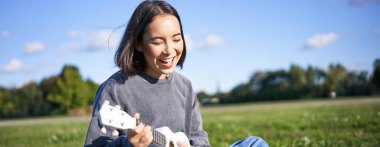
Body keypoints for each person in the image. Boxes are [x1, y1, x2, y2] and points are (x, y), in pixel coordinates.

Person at [84, 0, 210, 146]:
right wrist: (128, 144)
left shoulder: (185, 86)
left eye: (176, 39)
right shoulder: (115, 88)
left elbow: (198, 135)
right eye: (157, 42)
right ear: (138, 43)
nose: (169, 50)